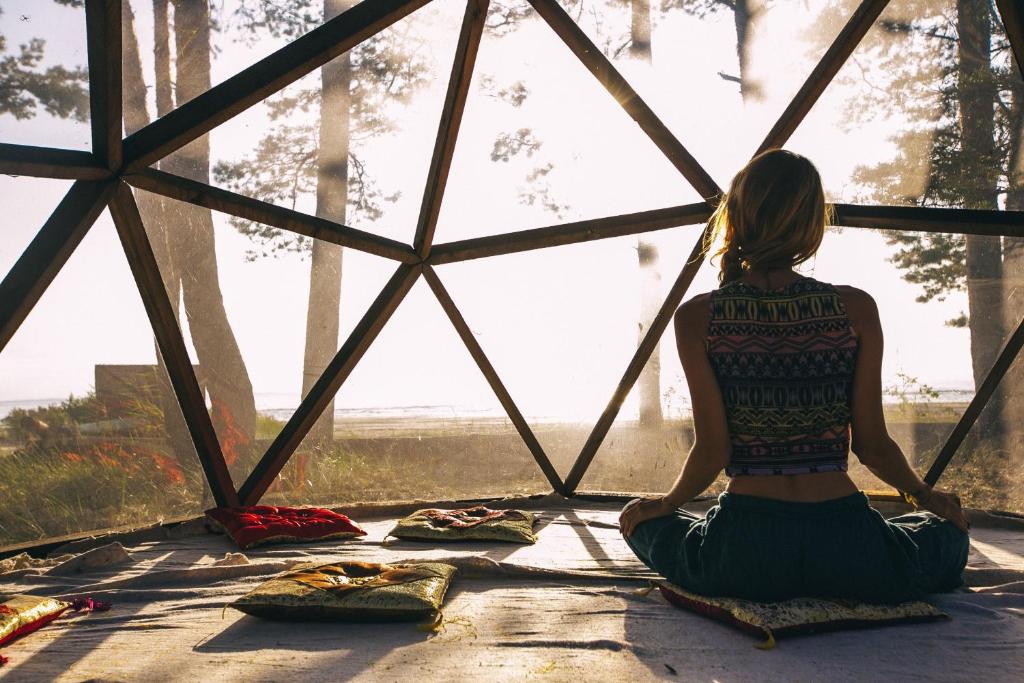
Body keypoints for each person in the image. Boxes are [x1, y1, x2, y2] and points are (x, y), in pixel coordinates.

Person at [619, 149, 970, 604]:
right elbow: (872, 444)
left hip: (744, 553)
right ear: (811, 224)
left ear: (738, 217)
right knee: (946, 534)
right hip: (848, 547)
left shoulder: (698, 318)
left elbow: (714, 450)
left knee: (640, 521)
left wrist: (664, 506)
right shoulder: (855, 309)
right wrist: (926, 496)